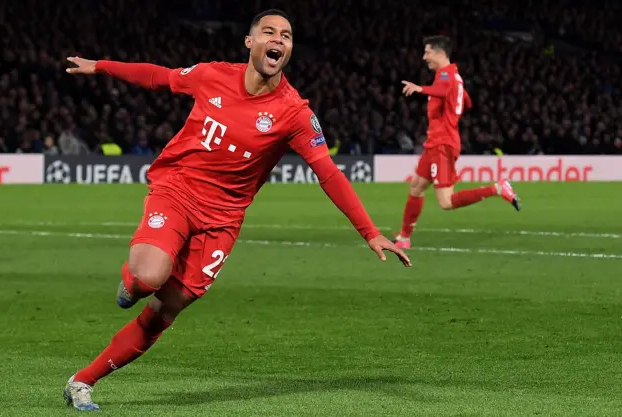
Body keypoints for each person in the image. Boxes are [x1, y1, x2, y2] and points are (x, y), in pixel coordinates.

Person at [62, 9, 410, 412]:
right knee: (147, 277)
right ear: (250, 42)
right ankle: (132, 283)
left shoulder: (295, 113)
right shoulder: (213, 75)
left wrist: (369, 232)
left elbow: (328, 173)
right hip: (177, 191)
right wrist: (102, 67)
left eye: (287, 35)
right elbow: (160, 76)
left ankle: (82, 382)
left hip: (222, 221)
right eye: (269, 32)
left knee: (165, 310)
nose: (278, 40)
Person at [394, 35, 520, 249]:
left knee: (446, 202)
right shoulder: (454, 77)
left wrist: (421, 89)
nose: (425, 57)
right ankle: (404, 238)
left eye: (428, 53)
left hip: (443, 144)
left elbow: (444, 91)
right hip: (435, 142)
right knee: (416, 187)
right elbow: (466, 100)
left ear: (440, 53)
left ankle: (498, 188)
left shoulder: (446, 76)